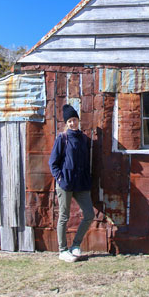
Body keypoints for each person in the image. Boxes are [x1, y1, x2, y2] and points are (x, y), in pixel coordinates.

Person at [48, 104, 94, 263]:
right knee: (64, 216)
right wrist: (59, 178)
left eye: (74, 120)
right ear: (66, 123)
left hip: (81, 183)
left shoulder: (83, 138)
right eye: (69, 121)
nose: (73, 123)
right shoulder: (62, 138)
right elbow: (53, 162)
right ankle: (62, 250)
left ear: (78, 120)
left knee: (89, 214)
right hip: (65, 183)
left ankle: (75, 246)